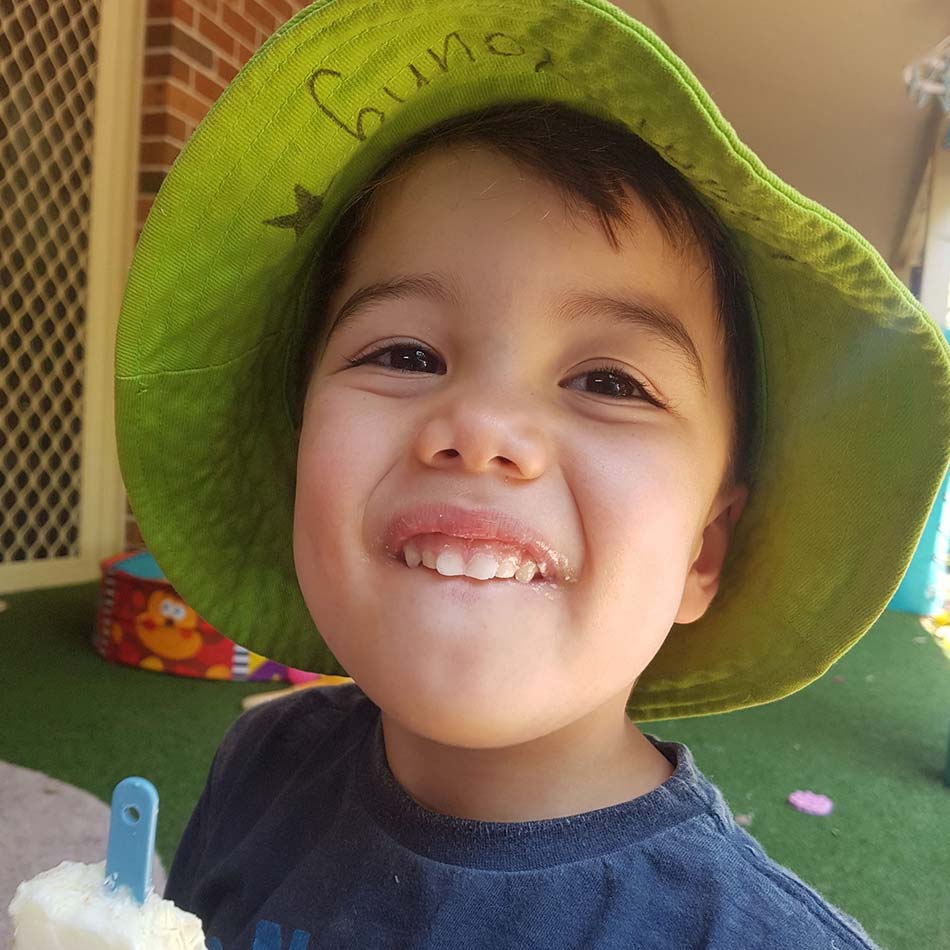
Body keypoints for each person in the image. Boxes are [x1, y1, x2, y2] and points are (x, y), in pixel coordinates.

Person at [113, 2, 950, 947]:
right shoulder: (259, 769)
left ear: (703, 550)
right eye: (404, 355)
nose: (481, 429)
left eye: (608, 380)